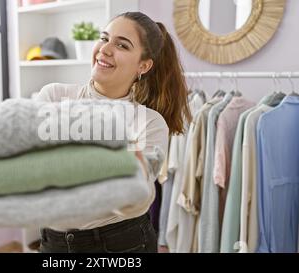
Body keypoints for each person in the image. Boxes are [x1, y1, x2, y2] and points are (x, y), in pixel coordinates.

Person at [34, 11, 191, 253]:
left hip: (120, 244)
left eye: (121, 45)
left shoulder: (149, 123)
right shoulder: (54, 96)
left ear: (143, 65)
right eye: (104, 38)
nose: (105, 49)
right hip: (53, 242)